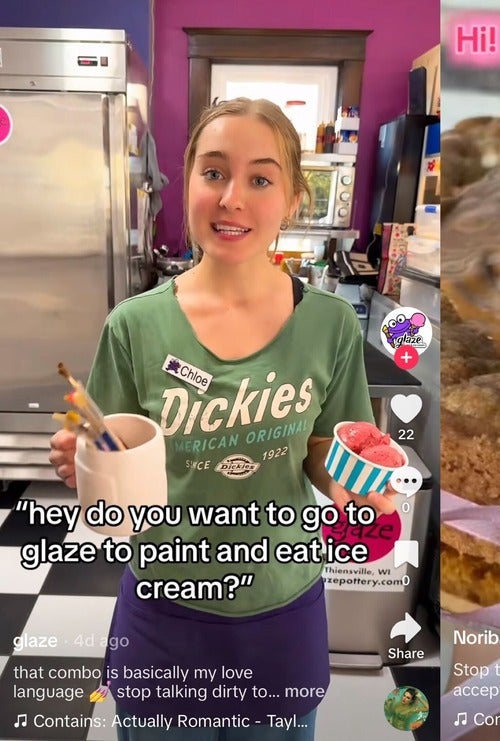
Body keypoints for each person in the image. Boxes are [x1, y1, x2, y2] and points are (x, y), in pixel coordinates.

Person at [48, 97, 395, 740]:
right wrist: (87, 465)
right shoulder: (135, 327)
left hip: (281, 610)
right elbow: (111, 472)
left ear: (292, 198)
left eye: (260, 179)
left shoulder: (330, 325)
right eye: (214, 173)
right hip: (164, 613)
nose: (233, 197)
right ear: (189, 186)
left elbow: (331, 446)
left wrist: (354, 477)